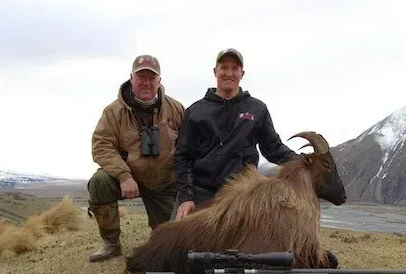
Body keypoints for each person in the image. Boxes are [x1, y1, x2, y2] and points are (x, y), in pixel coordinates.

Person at [174, 48, 298, 220]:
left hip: (243, 195)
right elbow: (183, 157)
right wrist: (186, 197)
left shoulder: (257, 109)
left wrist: (302, 162)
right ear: (215, 72)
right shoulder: (195, 111)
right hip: (202, 192)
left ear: (242, 73)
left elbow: (273, 148)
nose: (229, 73)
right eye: (224, 67)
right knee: (177, 242)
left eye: (235, 69)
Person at [87, 54, 184, 262]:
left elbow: (189, 147)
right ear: (131, 78)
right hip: (130, 178)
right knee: (100, 182)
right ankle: (111, 243)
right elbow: (101, 145)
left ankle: (161, 234)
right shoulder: (113, 112)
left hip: (165, 182)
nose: (146, 82)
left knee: (170, 243)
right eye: (141, 77)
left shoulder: (176, 109)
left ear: (159, 81)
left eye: (152, 77)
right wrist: (123, 176)